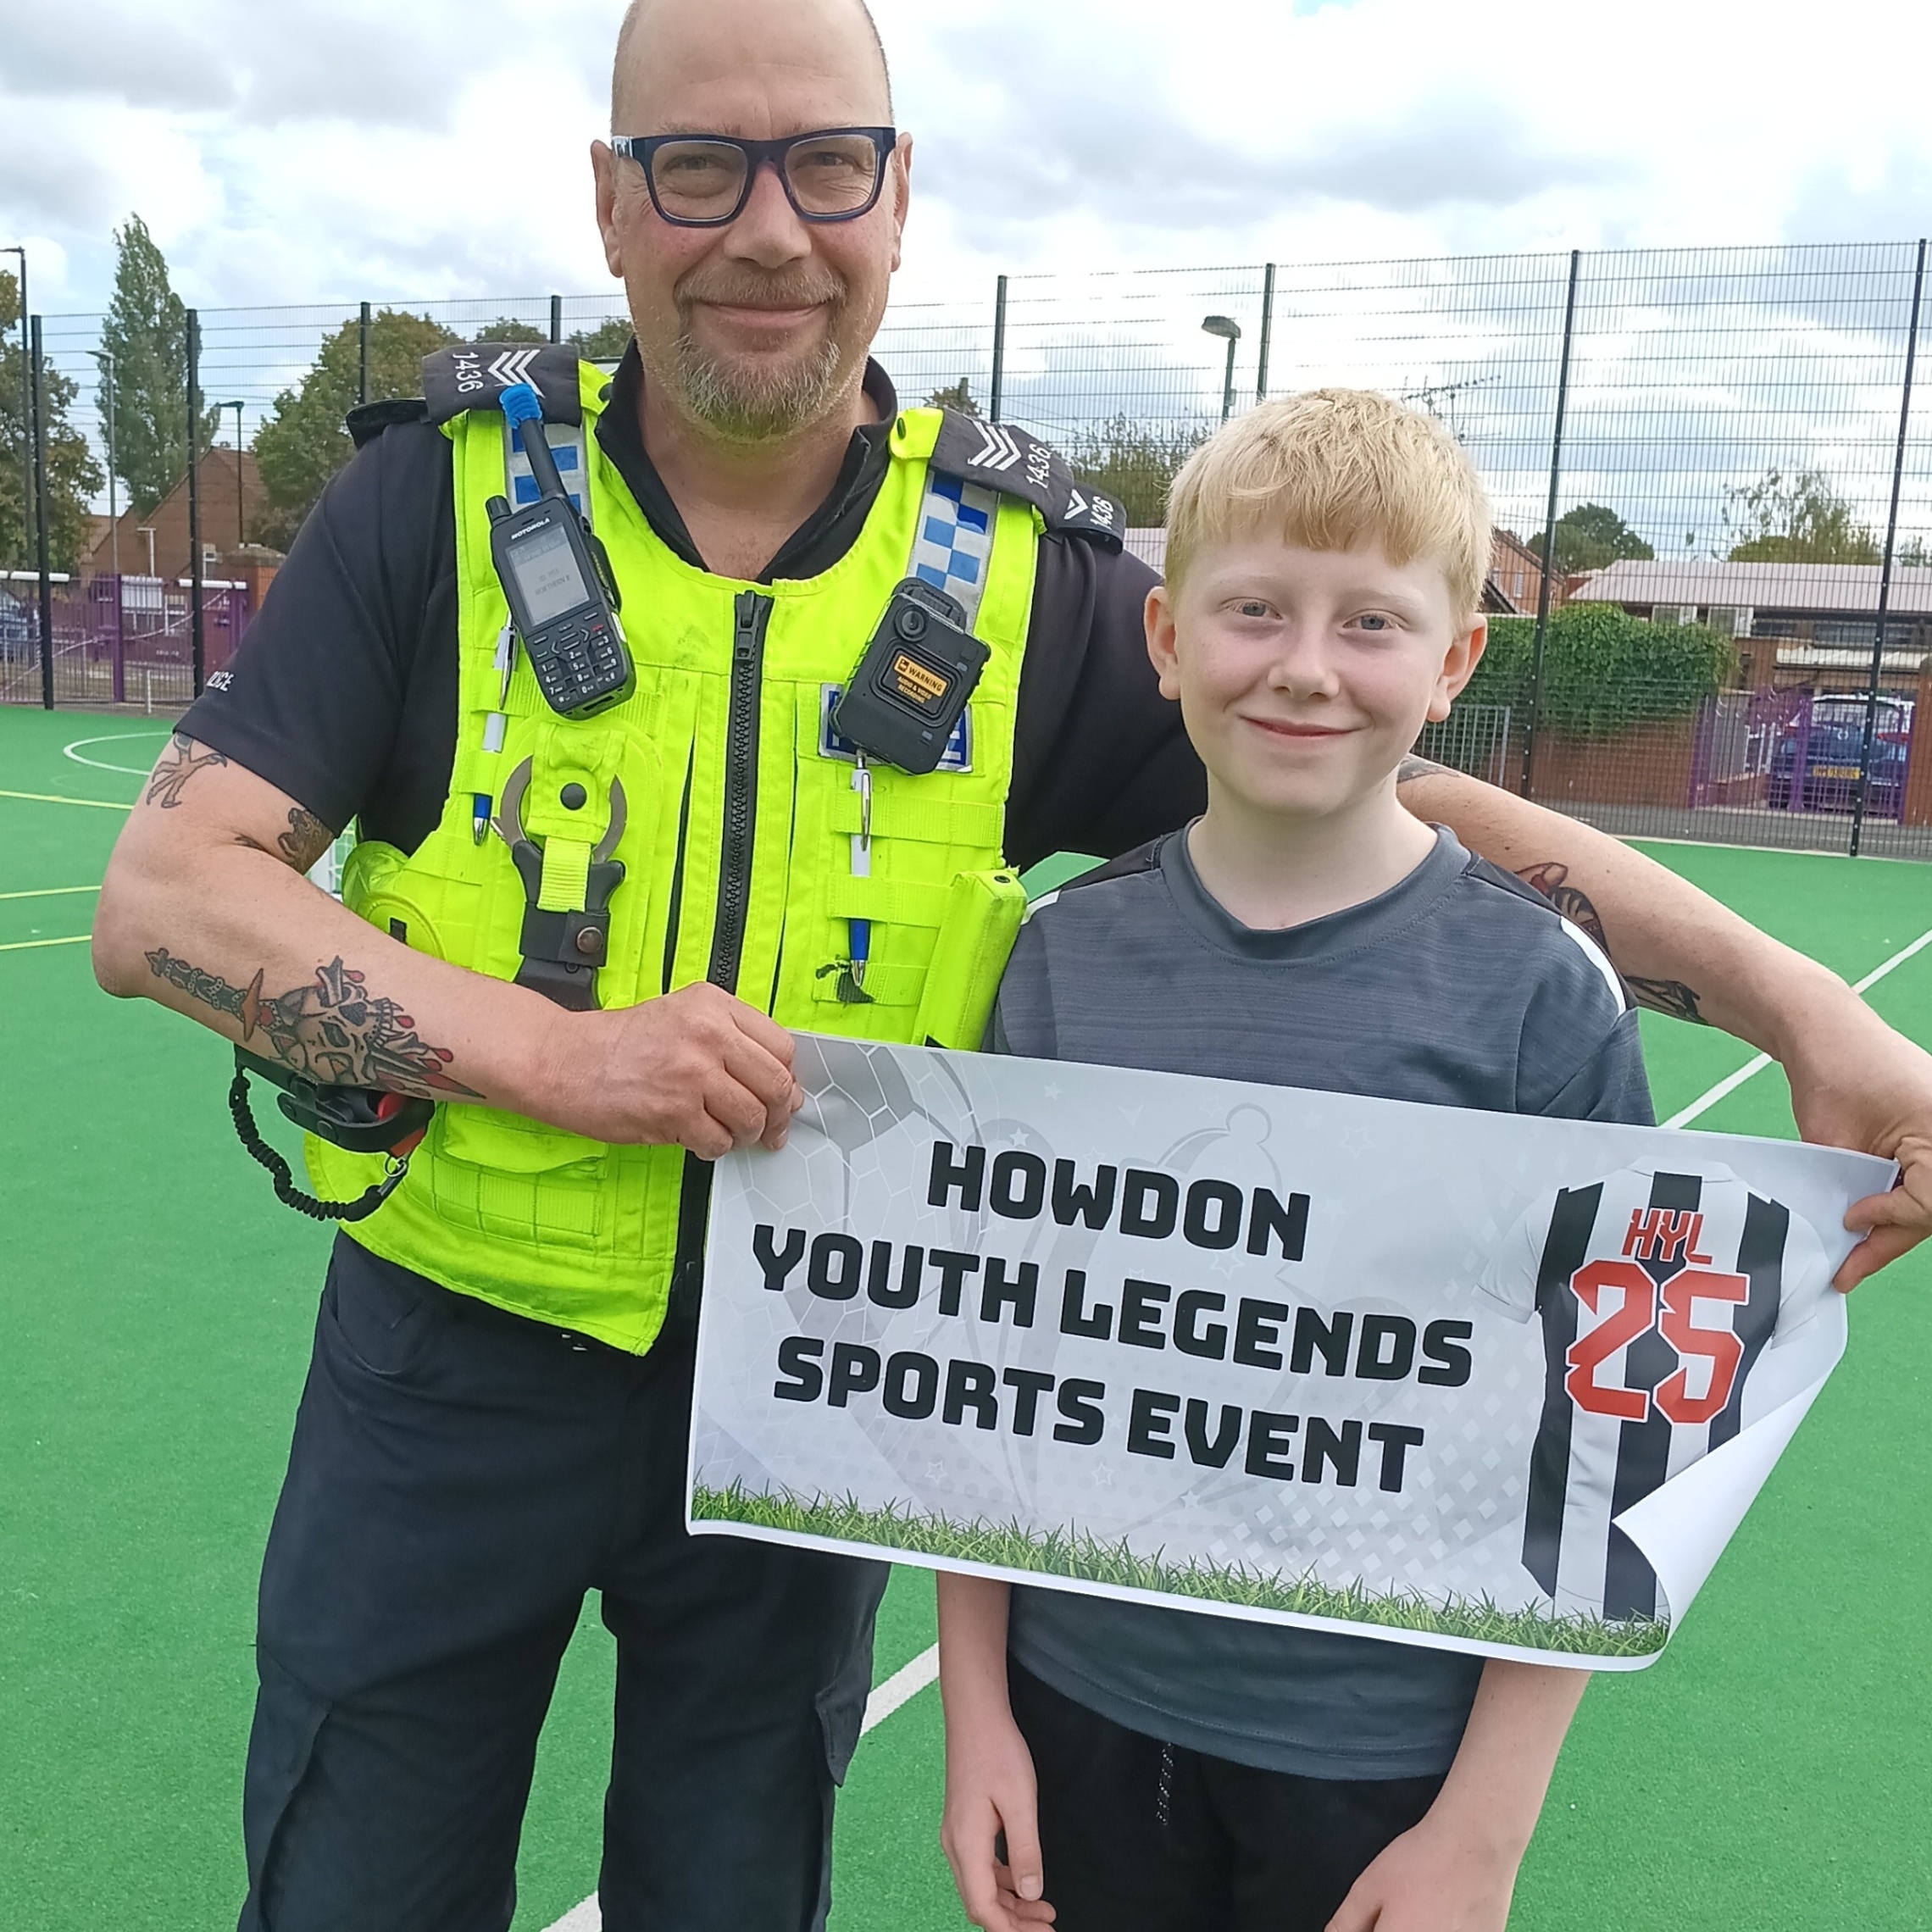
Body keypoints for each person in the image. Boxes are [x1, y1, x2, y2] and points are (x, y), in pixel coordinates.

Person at [86, 0, 1930, 1925]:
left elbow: (1384, 798)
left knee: (729, 1895)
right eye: (699, 166)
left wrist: (1804, 1005)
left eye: (828, 164)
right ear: (614, 208)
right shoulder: (436, 509)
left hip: (816, 1388)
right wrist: (551, 1062)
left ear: (900, 198)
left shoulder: (1017, 575)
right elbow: (168, 902)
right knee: (352, 1884)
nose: (771, 231)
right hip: (447, 1366)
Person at [936, 389, 1654, 1932]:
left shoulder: (1539, 997)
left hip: (1380, 1746)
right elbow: (980, 1346)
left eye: (1373, 623)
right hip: (1080, 1705)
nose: (1308, 669)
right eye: (1254, 608)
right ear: (1164, 639)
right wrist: (974, 1708)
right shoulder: (1060, 962)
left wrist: (1486, 1831)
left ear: (1456, 661)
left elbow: (1603, 1439)